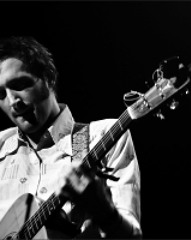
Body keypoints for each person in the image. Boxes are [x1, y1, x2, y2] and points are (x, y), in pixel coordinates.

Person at [0, 36, 141, 239]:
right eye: (1, 94)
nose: (13, 102)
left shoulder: (103, 137)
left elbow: (133, 237)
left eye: (20, 84)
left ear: (49, 78)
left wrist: (104, 211)